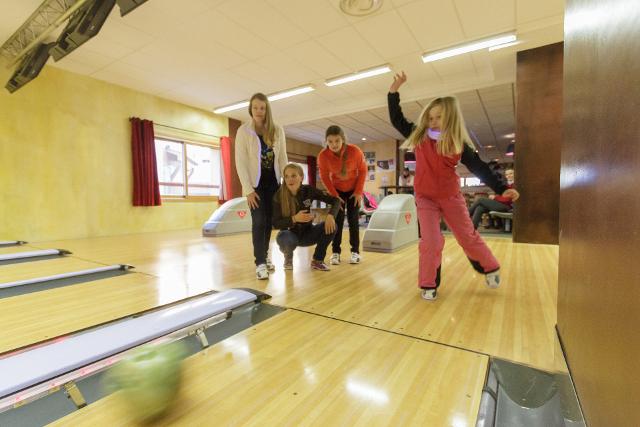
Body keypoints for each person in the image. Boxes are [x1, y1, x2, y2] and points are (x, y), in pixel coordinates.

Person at [388, 71, 520, 301]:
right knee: (430, 241)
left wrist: (501, 189)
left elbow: (480, 167)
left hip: (450, 198)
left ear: (450, 118)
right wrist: (393, 91)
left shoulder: (457, 143)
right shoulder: (419, 136)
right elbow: (396, 119)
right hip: (425, 198)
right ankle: (428, 283)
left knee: (467, 236)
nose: (433, 122)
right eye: (430, 118)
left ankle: (490, 267)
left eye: (438, 117)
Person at [235, 93, 288, 280]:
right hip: (254, 186)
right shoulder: (243, 131)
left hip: (273, 184)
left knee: (268, 222)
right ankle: (259, 263)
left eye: (262, 108)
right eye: (255, 107)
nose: (259, 111)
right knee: (258, 222)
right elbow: (240, 162)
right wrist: (248, 190)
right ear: (251, 109)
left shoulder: (278, 130)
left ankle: (265, 256)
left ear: (267, 110)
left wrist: (287, 184)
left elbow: (282, 159)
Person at [272, 163, 340, 271]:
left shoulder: (309, 190)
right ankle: (288, 258)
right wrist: (294, 219)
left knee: (333, 226)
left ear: (301, 177)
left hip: (308, 234)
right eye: (286, 176)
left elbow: (335, 201)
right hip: (288, 236)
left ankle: (318, 260)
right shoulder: (278, 195)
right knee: (285, 237)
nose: (290, 179)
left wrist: (331, 216)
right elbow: (275, 223)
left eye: (294, 175)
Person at [317, 125, 367, 265]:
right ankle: (335, 253)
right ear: (326, 141)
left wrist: (358, 192)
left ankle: (355, 252)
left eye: (337, 141)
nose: (334, 144)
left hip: (353, 190)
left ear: (343, 140)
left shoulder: (355, 151)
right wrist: (334, 195)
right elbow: (325, 177)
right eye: (330, 141)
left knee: (353, 220)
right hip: (337, 190)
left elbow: (363, 171)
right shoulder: (323, 156)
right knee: (337, 221)